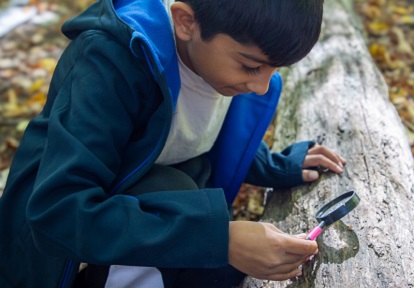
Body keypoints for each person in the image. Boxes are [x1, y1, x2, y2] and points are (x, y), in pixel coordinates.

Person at [0, 0, 346, 287]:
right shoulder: (111, 62)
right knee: (204, 222)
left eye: (275, 69)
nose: (261, 86)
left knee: (221, 260)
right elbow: (57, 212)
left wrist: (275, 165)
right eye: (251, 66)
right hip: (59, 249)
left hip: (145, 206)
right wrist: (220, 240)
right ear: (184, 22)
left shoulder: (216, 59)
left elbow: (189, 130)